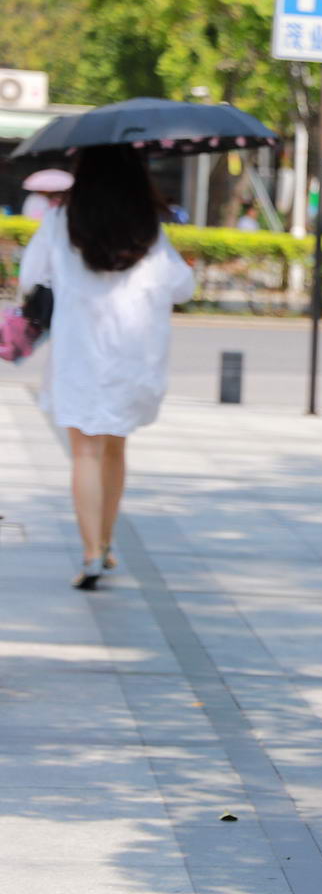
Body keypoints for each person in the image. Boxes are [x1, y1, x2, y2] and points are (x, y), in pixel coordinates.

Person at [15, 147, 195, 589]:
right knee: (115, 448)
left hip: (80, 353)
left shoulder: (61, 221)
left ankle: (92, 551)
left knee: (84, 452)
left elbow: (29, 279)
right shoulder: (147, 226)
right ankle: (109, 544)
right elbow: (181, 287)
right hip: (133, 355)